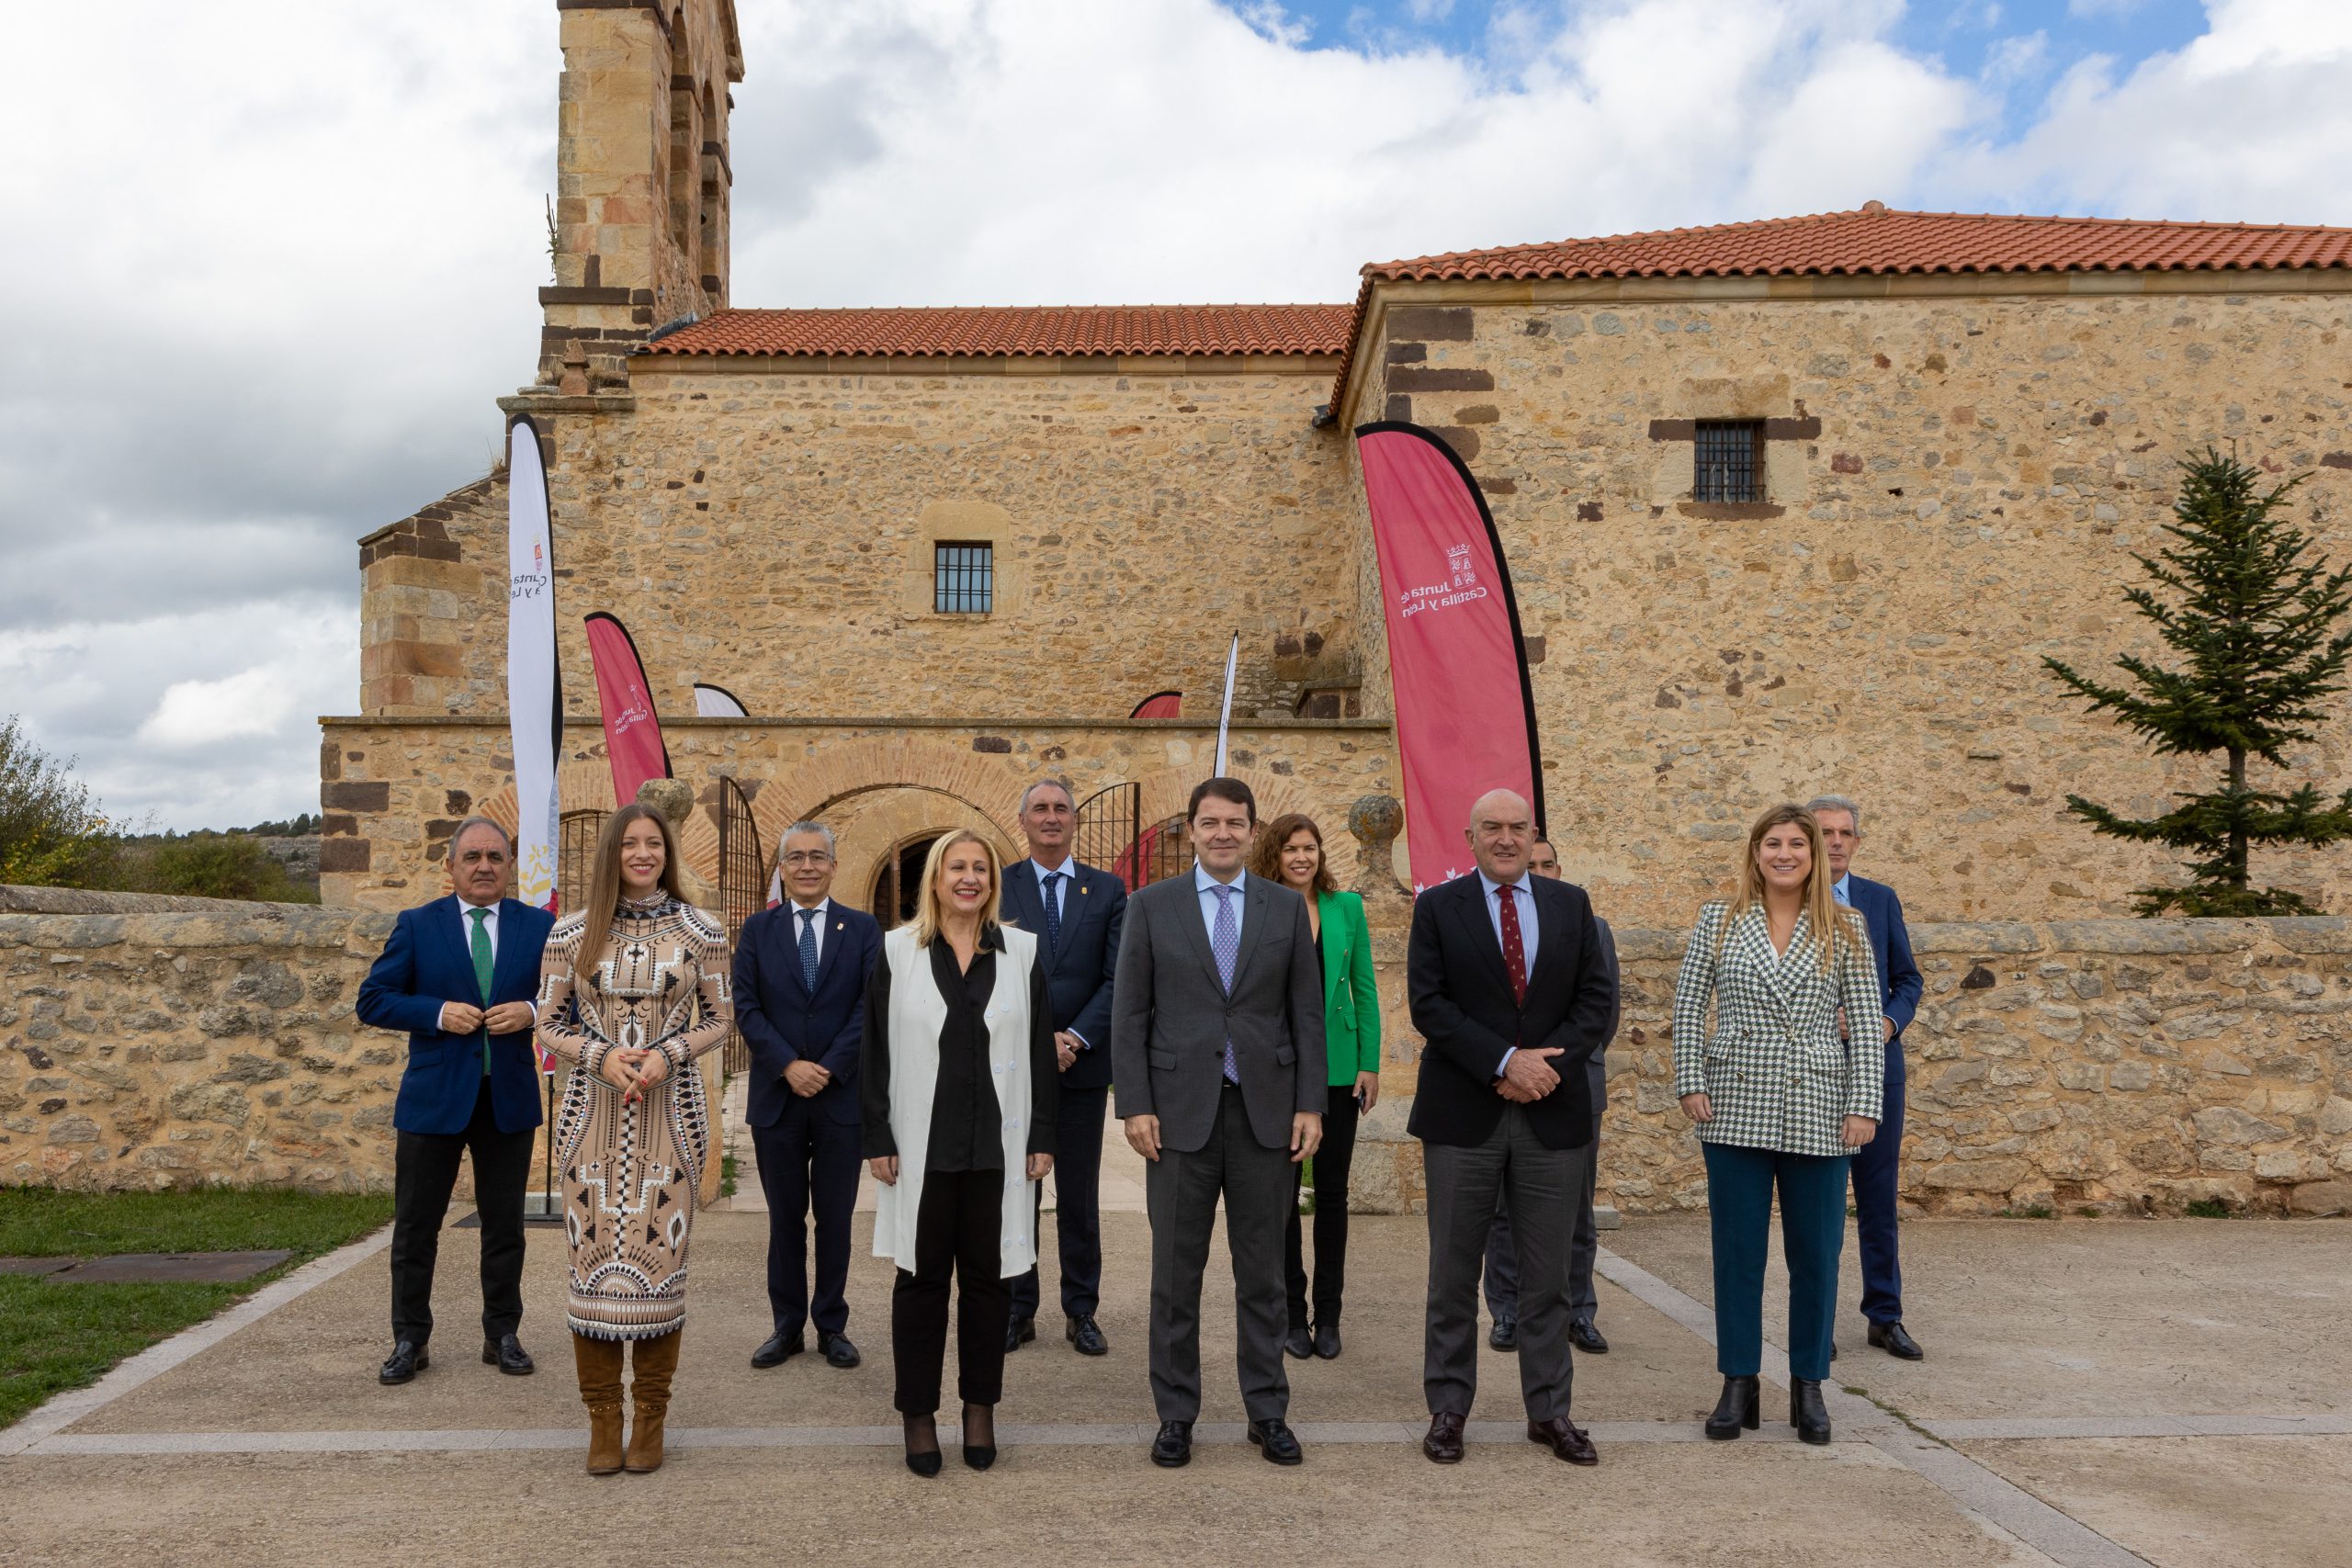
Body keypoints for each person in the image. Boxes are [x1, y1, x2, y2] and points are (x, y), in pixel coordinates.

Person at [1112, 777, 1325, 1470]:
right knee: (1176, 1275)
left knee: (1263, 1275)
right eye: (1211, 822)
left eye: (1236, 822)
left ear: (1251, 829)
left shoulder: (1287, 909)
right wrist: (1134, 1103)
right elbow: (1129, 1014)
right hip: (1176, 1118)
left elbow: (1307, 1012)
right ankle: (1176, 1414)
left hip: (1266, 1112)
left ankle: (1267, 1410)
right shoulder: (1149, 906)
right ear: (1193, 829)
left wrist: (1310, 1103)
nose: (1224, 832)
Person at [1408, 790, 1614, 1468]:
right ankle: (1449, 1408)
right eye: (1491, 827)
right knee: (1452, 1272)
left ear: (1533, 834)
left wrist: (1540, 1068)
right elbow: (1429, 1004)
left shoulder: (1570, 905)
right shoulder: (1438, 907)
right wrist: (1503, 1061)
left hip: (1552, 1114)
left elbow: (1596, 1002)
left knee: (1548, 1275)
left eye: (1516, 827)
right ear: (1468, 837)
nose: (1505, 837)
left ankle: (1550, 1409)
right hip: (1464, 1112)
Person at [1671, 803, 1883, 1446]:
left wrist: (1864, 1103)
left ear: (1816, 854)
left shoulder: (1847, 925)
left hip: (1820, 1103)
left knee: (1816, 1255)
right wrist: (1691, 1079)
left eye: (1797, 842)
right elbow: (1687, 1004)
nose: (1784, 853)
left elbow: (1868, 1021)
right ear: (1755, 852)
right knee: (1738, 1254)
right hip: (1734, 1101)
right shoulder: (1719, 919)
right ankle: (1739, 1381)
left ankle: (1809, 1385)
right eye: (1772, 842)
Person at [535, 803, 733, 1475]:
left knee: (661, 1268)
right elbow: (548, 1019)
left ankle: (650, 1417)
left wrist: (669, 1052)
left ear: (667, 851)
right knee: (589, 1269)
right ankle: (602, 1419)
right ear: (612, 854)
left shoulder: (703, 928)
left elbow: (720, 1016)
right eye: (631, 844)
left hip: (670, 1119)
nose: (643, 853)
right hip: (590, 1121)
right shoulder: (570, 933)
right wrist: (598, 1057)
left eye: (654, 843)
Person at [863, 831, 1057, 1476]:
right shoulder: (897, 950)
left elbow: (1037, 1052)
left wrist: (1042, 1137)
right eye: (958, 867)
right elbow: (875, 1051)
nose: (969, 878)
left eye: (981, 868)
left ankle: (979, 1409)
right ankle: (918, 1416)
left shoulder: (1021, 951)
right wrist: (878, 1136)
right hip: (921, 1148)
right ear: (937, 880)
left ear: (992, 882)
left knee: (989, 1284)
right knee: (919, 1284)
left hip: (996, 1149)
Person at [357, 816, 552, 1387]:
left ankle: (503, 1334)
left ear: (510, 866)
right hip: (433, 1100)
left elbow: (574, 997)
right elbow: (374, 1000)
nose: (485, 866)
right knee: (416, 1225)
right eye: (472, 857)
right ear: (451, 866)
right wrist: (438, 1013)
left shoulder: (540, 928)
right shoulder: (417, 926)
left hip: (508, 1098)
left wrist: (533, 1013)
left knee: (504, 1226)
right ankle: (409, 1339)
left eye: (495, 856)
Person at [734, 822, 882, 1372]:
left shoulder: (864, 929)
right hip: (778, 1097)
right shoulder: (757, 929)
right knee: (785, 1218)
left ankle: (833, 1325)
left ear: (834, 866)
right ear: (781, 867)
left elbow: (870, 1006)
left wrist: (828, 1066)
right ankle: (787, 1325)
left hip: (841, 1096)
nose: (807, 866)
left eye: (818, 857)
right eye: (795, 857)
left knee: (836, 1218)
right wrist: (788, 1066)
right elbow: (745, 1007)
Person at [1001, 777, 1126, 1358]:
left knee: (1078, 1196)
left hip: (1080, 1067)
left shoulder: (1106, 891)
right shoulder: (997, 888)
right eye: (1040, 810)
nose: (1051, 818)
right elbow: (986, 980)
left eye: (1060, 809)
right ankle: (1017, 1309)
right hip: (1013, 1069)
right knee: (1016, 1192)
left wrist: (1072, 1037)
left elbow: (1117, 977)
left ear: (1074, 821)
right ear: (1023, 821)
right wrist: (1033, 1040)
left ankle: (1082, 1310)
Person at [1248, 813, 1379, 1362]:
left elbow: (1365, 987)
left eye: (1311, 848)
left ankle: (1329, 1316)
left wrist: (1370, 1062)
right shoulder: (1260, 908)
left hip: (1340, 1069)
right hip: (1278, 1070)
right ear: (1274, 855)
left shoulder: (1347, 908)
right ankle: (1290, 1315)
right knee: (1280, 1200)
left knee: (1331, 1193)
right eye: (1291, 850)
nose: (1302, 858)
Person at [1482, 835, 1619, 1357]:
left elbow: (1602, 1012)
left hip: (1573, 1085)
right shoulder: (1491, 923)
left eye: (1546, 865)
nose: (1537, 871)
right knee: (1501, 1211)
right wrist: (1512, 1070)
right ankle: (1508, 1310)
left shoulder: (1592, 928)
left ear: (1559, 870)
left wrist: (1545, 1071)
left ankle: (1579, 1311)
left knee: (1577, 1210)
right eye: (1530, 864)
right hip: (1500, 1085)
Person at [1809, 794, 1925, 1361]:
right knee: (1821, 1204)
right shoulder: (1784, 902)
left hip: (1877, 1071)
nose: (1834, 842)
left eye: (1844, 833)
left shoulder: (1880, 901)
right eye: (1824, 832)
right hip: (1812, 1076)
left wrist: (1884, 1023)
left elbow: (1908, 980)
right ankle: (1817, 1323)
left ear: (1857, 841)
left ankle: (1885, 1315)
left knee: (1877, 1201)